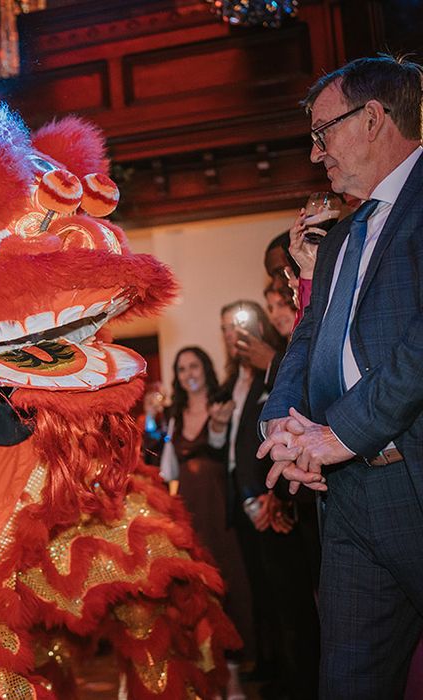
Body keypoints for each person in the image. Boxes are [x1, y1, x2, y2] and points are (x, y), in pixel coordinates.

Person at [258, 55, 423, 699]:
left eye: (323, 131)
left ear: (374, 117)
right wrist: (283, 422)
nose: (316, 151)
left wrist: (341, 432)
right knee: (349, 683)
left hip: (409, 471)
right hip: (348, 495)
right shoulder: (345, 231)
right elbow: (309, 337)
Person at [218, 300, 320, 699]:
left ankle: (301, 684)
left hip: (277, 497)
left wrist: (268, 496)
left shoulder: (277, 368)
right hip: (248, 501)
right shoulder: (234, 382)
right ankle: (280, 672)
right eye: (225, 327)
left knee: (294, 602)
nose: (232, 334)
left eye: (238, 324)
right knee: (268, 595)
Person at [168, 346, 252, 700]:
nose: (189, 372)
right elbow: (168, 471)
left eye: (195, 365)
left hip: (219, 508)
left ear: (205, 368)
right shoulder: (174, 415)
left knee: (227, 583)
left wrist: (218, 424)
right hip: (188, 510)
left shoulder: (223, 405)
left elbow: (224, 449)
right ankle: (208, 674)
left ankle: (232, 674)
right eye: (182, 367)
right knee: (198, 593)